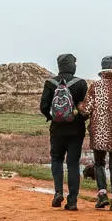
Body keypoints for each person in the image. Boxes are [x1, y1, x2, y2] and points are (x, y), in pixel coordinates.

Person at [80, 56, 112, 212]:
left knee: (100, 164)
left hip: (99, 132)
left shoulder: (95, 86)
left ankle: (102, 196)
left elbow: (86, 110)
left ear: (102, 70)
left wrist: (79, 105)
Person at [40, 54, 88, 210]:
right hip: (76, 129)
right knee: (73, 163)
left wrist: (52, 117)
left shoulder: (50, 83)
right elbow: (85, 108)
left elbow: (43, 106)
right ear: (72, 66)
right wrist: (79, 117)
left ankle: (58, 192)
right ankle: (72, 200)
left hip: (57, 129)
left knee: (56, 160)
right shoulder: (80, 83)